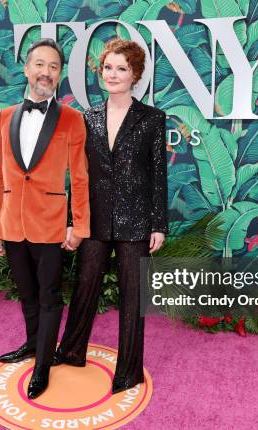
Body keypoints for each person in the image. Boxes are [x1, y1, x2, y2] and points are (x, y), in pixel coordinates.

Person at [53, 38, 168, 394]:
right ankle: (71, 350)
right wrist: (74, 220)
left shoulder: (152, 118)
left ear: (135, 75)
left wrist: (158, 224)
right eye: (108, 67)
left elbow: (158, 174)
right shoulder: (87, 118)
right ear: (100, 72)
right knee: (85, 286)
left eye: (121, 68)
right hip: (95, 218)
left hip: (136, 222)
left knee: (133, 297)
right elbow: (80, 174)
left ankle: (129, 371)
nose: (113, 74)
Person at [0, 39, 90, 399]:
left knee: (48, 297)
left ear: (59, 75)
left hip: (50, 225)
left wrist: (79, 225)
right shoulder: (4, 117)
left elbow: (79, 177)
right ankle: (33, 344)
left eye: (54, 67)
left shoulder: (73, 119)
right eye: (40, 64)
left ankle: (43, 364)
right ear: (26, 69)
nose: (46, 72)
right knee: (27, 295)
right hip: (12, 224)